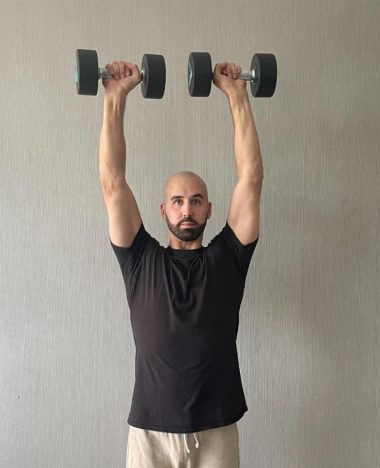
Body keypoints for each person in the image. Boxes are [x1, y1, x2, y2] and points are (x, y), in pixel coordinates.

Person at [98, 58, 263, 468]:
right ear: (163, 210)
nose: (186, 209)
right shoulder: (140, 260)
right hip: (151, 432)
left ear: (210, 211)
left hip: (216, 429)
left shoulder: (228, 259)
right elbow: (112, 182)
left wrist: (238, 96)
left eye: (195, 201)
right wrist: (115, 99)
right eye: (177, 201)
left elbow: (251, 179)